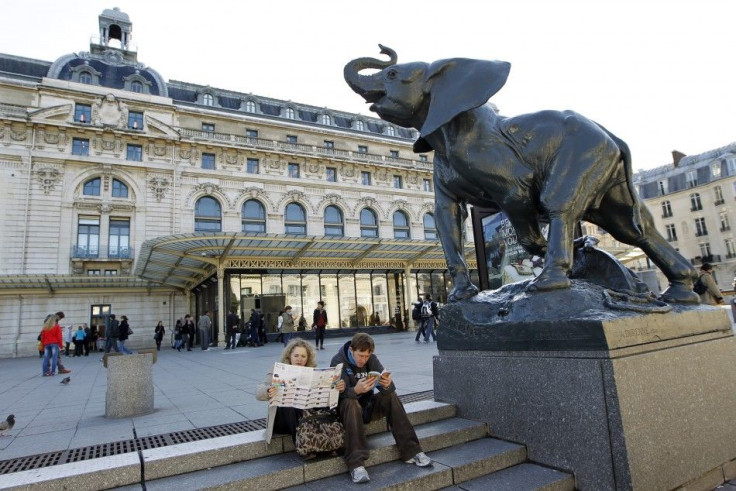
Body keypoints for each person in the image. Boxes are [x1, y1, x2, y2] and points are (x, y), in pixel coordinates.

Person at [330, 333, 431, 484]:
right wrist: (355, 391)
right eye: (360, 355)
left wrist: (387, 384)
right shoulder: (338, 361)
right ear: (351, 350)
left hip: (367, 408)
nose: (363, 360)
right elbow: (337, 395)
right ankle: (356, 465)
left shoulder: (372, 359)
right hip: (347, 412)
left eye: (367, 356)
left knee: (391, 397)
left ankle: (412, 451)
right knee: (351, 403)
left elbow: (388, 390)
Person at [255, 338, 345, 449]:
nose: (299, 359)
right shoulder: (277, 370)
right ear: (289, 356)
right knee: (290, 405)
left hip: (304, 417)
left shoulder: (312, 372)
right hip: (283, 420)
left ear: (308, 358)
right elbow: (259, 391)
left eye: (303, 356)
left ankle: (328, 441)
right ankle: (304, 447)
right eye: (296, 356)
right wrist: (268, 390)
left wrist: (337, 387)